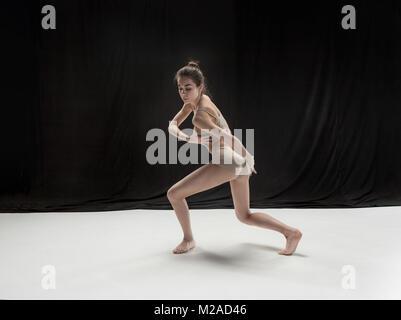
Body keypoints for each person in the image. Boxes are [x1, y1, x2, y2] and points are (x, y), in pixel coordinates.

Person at [167, 60, 302, 255]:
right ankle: (291, 233)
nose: (183, 93)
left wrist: (249, 156)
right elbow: (172, 125)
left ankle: (188, 240)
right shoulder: (196, 102)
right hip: (237, 161)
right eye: (180, 88)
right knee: (244, 215)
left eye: (188, 88)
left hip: (229, 161)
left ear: (200, 86)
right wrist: (188, 137)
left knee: (174, 194)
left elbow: (228, 137)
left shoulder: (199, 115)